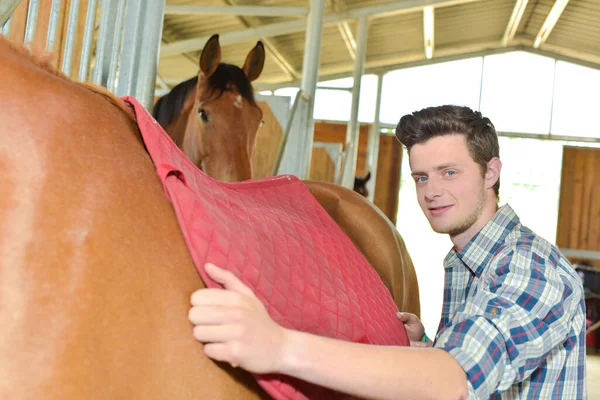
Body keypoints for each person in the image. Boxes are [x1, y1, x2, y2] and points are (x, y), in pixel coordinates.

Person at [188, 105, 587, 399]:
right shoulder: (470, 263)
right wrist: (430, 345)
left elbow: (455, 381)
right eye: (421, 177)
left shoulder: (531, 266)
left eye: (450, 172)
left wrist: (278, 346)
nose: (431, 191)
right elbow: (493, 362)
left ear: (491, 172)